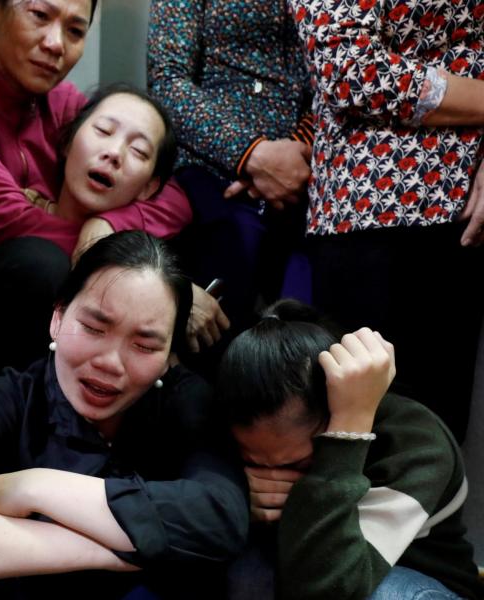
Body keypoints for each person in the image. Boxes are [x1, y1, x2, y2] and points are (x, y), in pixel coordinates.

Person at [0, 231, 248, 597]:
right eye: (94, 328)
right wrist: (107, 553)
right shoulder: (14, 395)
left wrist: (33, 487)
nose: (110, 363)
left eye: (144, 345)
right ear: (58, 318)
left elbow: (220, 519)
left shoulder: (186, 401)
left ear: (168, 356)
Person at [0, 0, 227, 393]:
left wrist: (105, 226)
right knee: (42, 263)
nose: (55, 43)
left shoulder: (65, 105)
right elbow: (11, 220)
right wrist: (146, 275)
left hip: (58, 283)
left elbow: (174, 195)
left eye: (75, 31)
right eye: (39, 15)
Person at [0, 84, 178, 409]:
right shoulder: (16, 210)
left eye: (138, 152)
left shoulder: (138, 261)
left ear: (149, 187)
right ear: (66, 143)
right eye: (103, 131)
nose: (114, 153)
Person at [288, 0, 484, 441]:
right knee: (356, 429)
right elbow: (350, 70)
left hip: (465, 207)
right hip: (366, 207)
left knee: (438, 440)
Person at [219, 300, 483, 600]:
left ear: (334, 409)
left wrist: (347, 432)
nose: (274, 479)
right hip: (316, 569)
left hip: (421, 586)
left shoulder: (416, 442)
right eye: (256, 465)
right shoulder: (227, 419)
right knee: (247, 573)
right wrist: (239, 496)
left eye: (297, 465)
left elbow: (331, 589)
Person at [146, 0, 314, 349]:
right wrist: (250, 155)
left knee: (304, 344)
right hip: (211, 177)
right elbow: (167, 81)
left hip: (308, 183)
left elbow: (341, 84)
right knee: (221, 336)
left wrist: (296, 152)